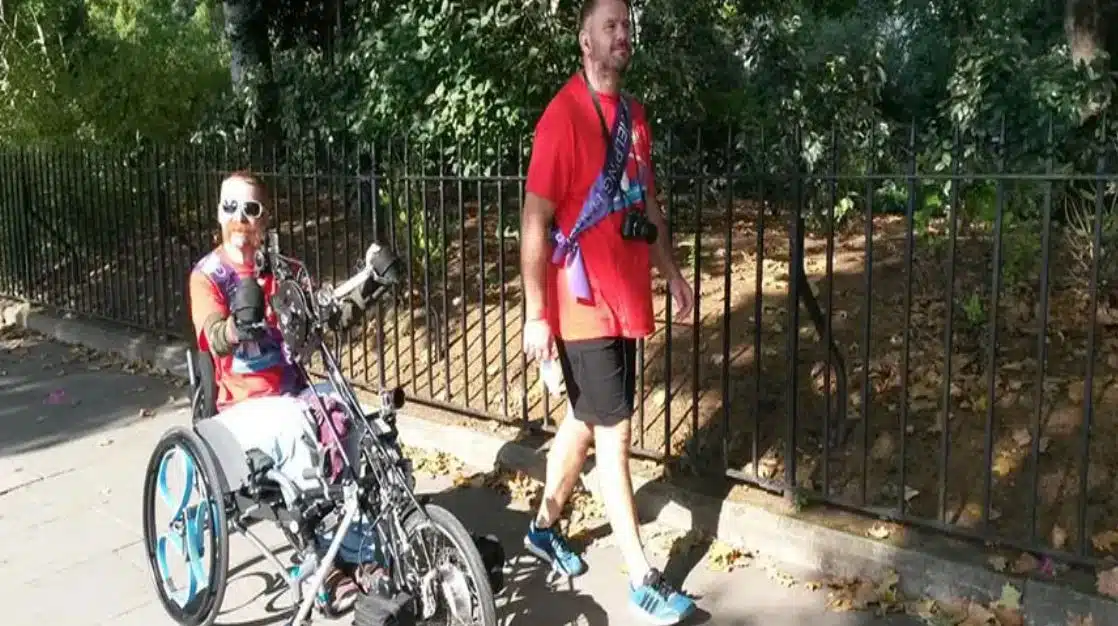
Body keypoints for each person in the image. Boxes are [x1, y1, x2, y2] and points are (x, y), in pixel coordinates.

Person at [519, 0, 697, 623]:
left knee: (585, 419)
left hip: (627, 303)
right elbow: (536, 222)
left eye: (627, 26)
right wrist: (536, 314)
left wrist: (671, 271)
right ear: (585, 42)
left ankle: (542, 528)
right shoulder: (562, 118)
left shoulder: (635, 117)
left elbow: (647, 204)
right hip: (582, 307)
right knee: (616, 436)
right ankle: (643, 578)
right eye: (609, 27)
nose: (623, 35)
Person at [187, 170, 381, 613]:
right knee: (296, 429)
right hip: (238, 409)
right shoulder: (208, 276)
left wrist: (370, 286)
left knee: (351, 414)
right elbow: (214, 336)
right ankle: (324, 562)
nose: (240, 218)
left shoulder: (285, 272)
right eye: (230, 207)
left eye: (251, 209)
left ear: (265, 218)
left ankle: (360, 549)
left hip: (292, 390)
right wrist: (239, 323)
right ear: (219, 213)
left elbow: (325, 321)